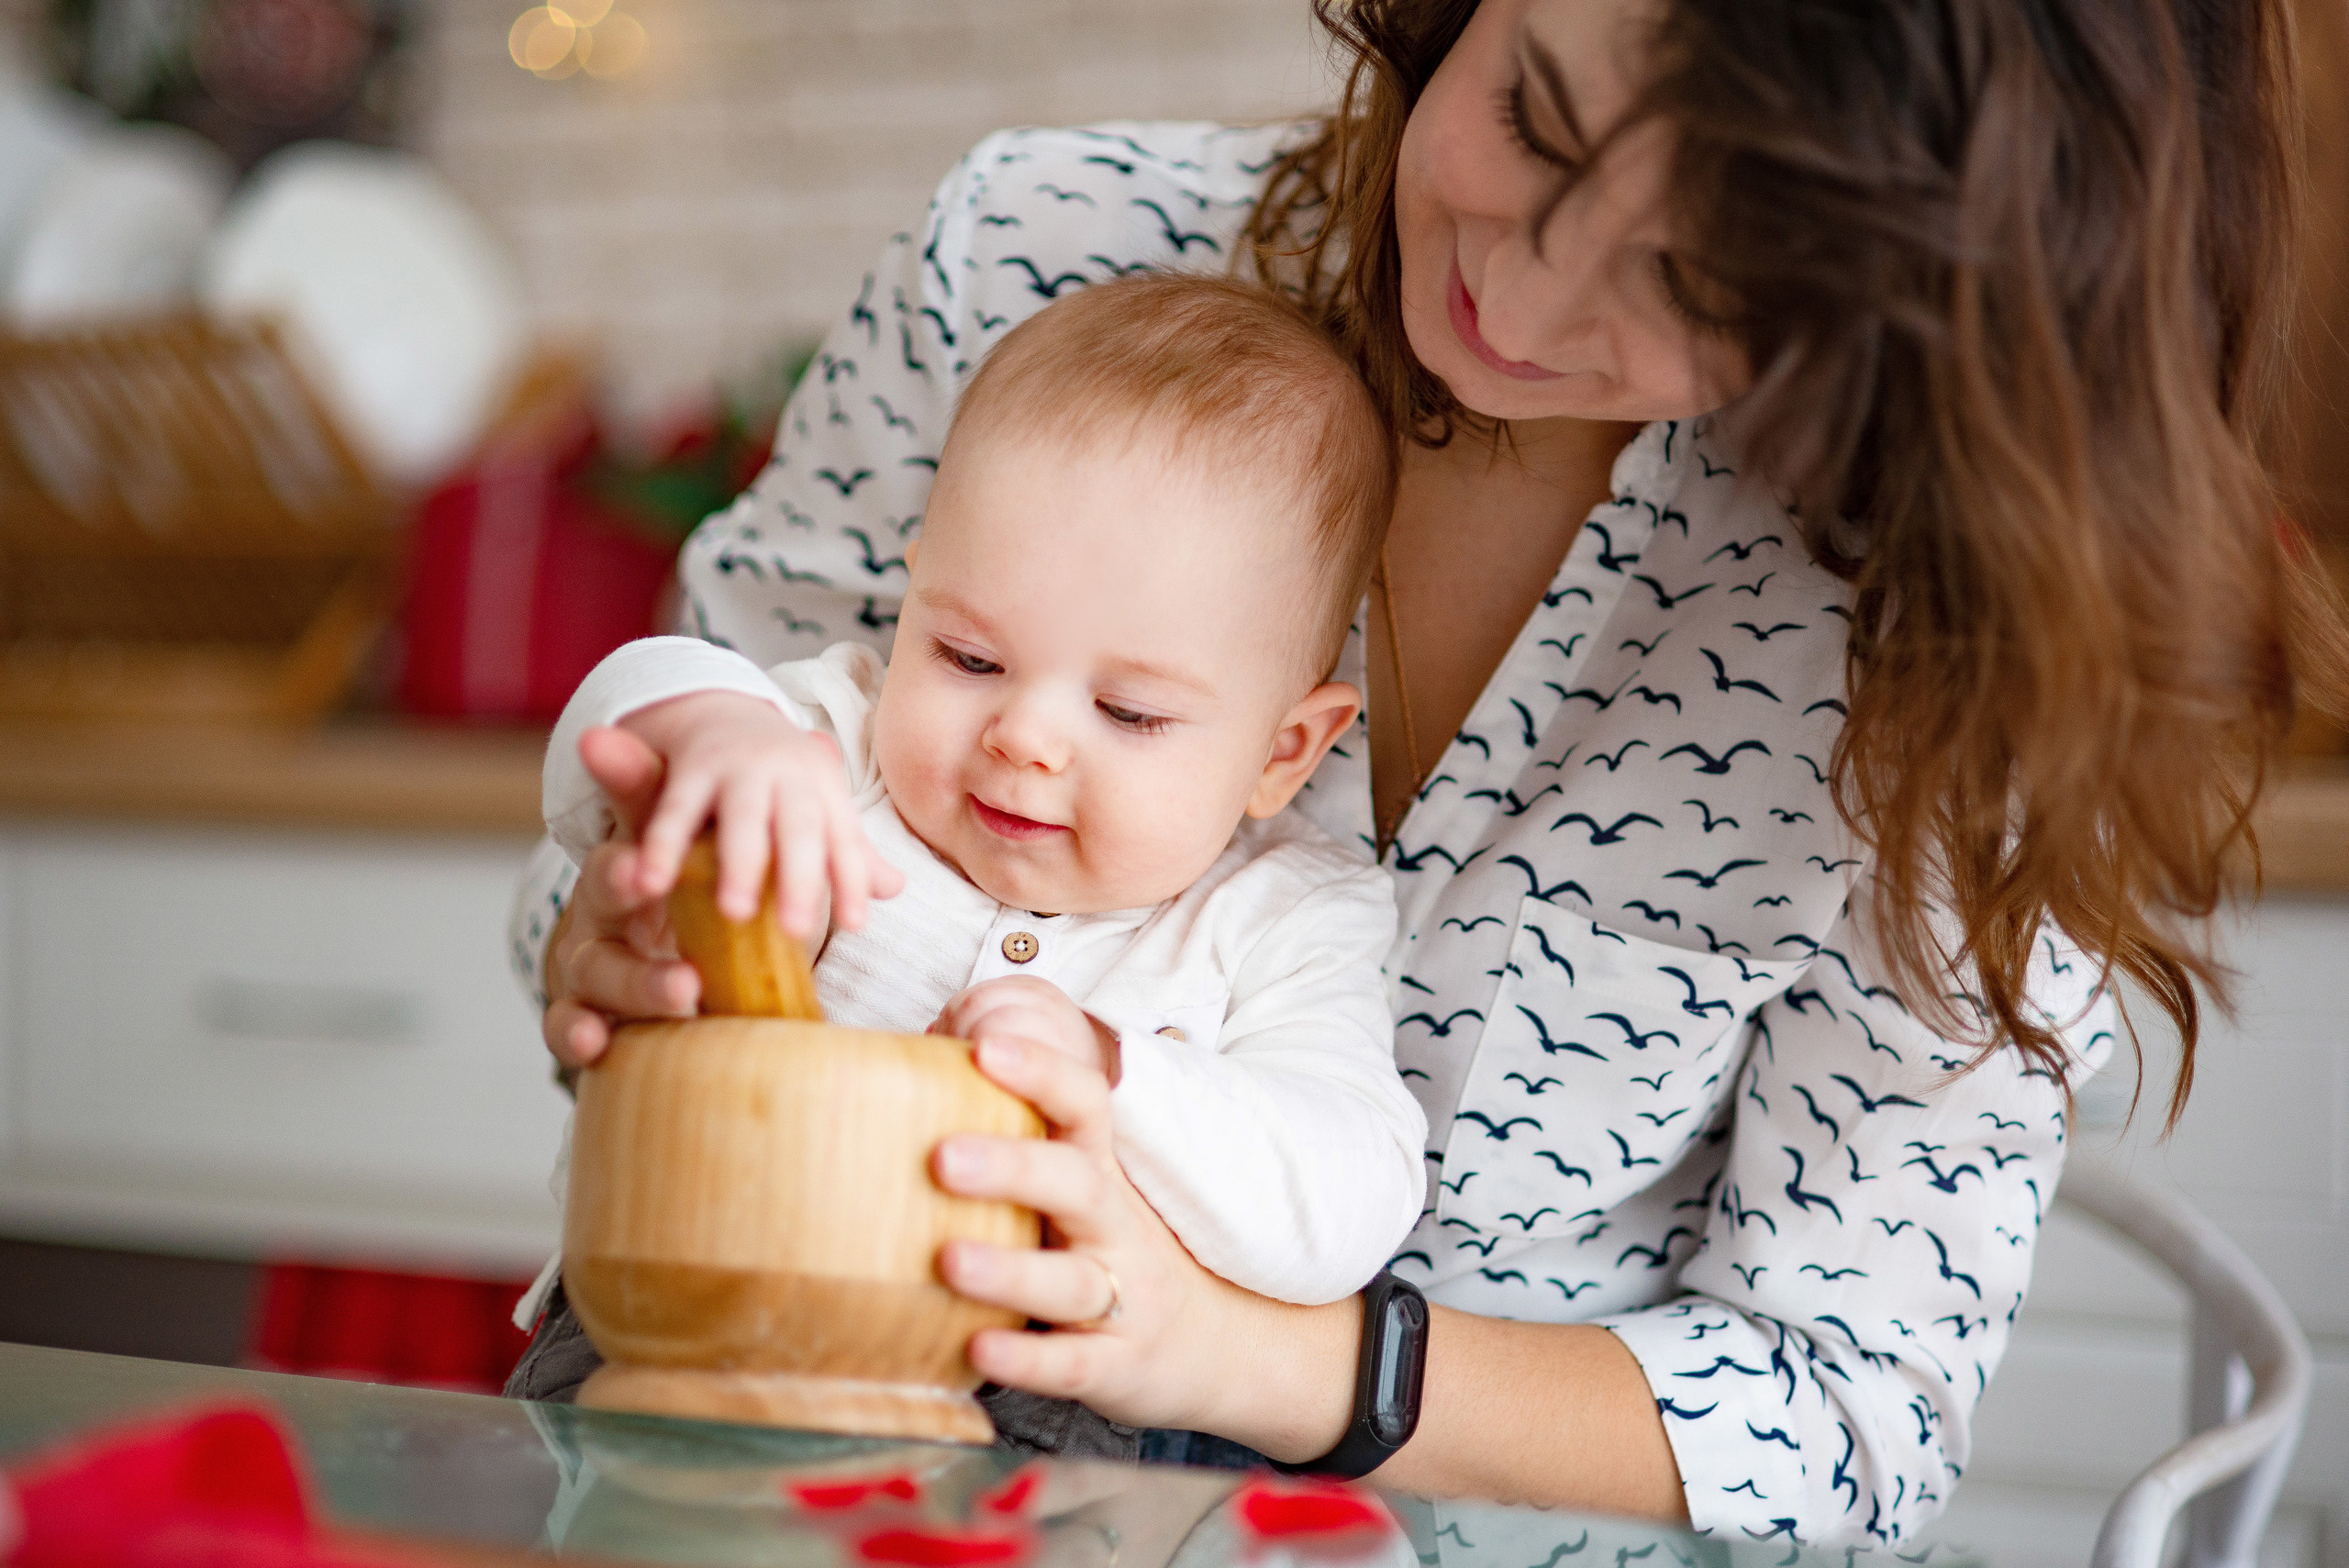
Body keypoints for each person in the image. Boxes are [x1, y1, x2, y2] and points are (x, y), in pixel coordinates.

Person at [509, 0, 2346, 1545]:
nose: (1520, 294)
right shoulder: (1034, 258)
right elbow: (683, 746)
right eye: (1532, 117)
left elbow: (1848, 1420)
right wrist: (625, 913)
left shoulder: (1938, 624)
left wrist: (1263, 1361)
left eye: (1695, 274)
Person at [507, 276, 1429, 1459]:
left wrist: (1116, 1077)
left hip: (1042, 1390)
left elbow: (1350, 1197)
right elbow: (634, 710)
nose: (1025, 736)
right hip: (683, 1298)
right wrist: (712, 731)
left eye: (1129, 712)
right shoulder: (834, 746)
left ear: (1283, 751)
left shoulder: (1285, 916)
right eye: (968, 656)